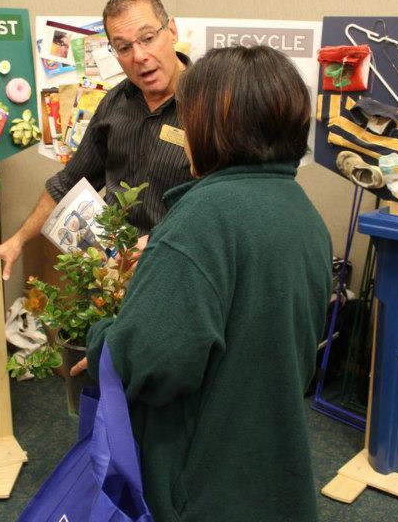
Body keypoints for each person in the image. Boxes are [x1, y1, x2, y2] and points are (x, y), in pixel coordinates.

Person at [78, 45, 333, 522]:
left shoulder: (201, 217)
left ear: (213, 126)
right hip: (271, 468)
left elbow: (151, 363)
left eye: (188, 116)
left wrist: (102, 343)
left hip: (203, 483)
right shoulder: (302, 211)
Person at [0, 0, 193, 278]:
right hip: (113, 276)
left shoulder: (212, 105)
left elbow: (221, 205)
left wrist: (156, 243)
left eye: (148, 38)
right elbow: (68, 182)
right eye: (124, 47)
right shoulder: (115, 104)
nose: (139, 55)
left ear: (172, 30)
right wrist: (18, 240)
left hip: (178, 272)